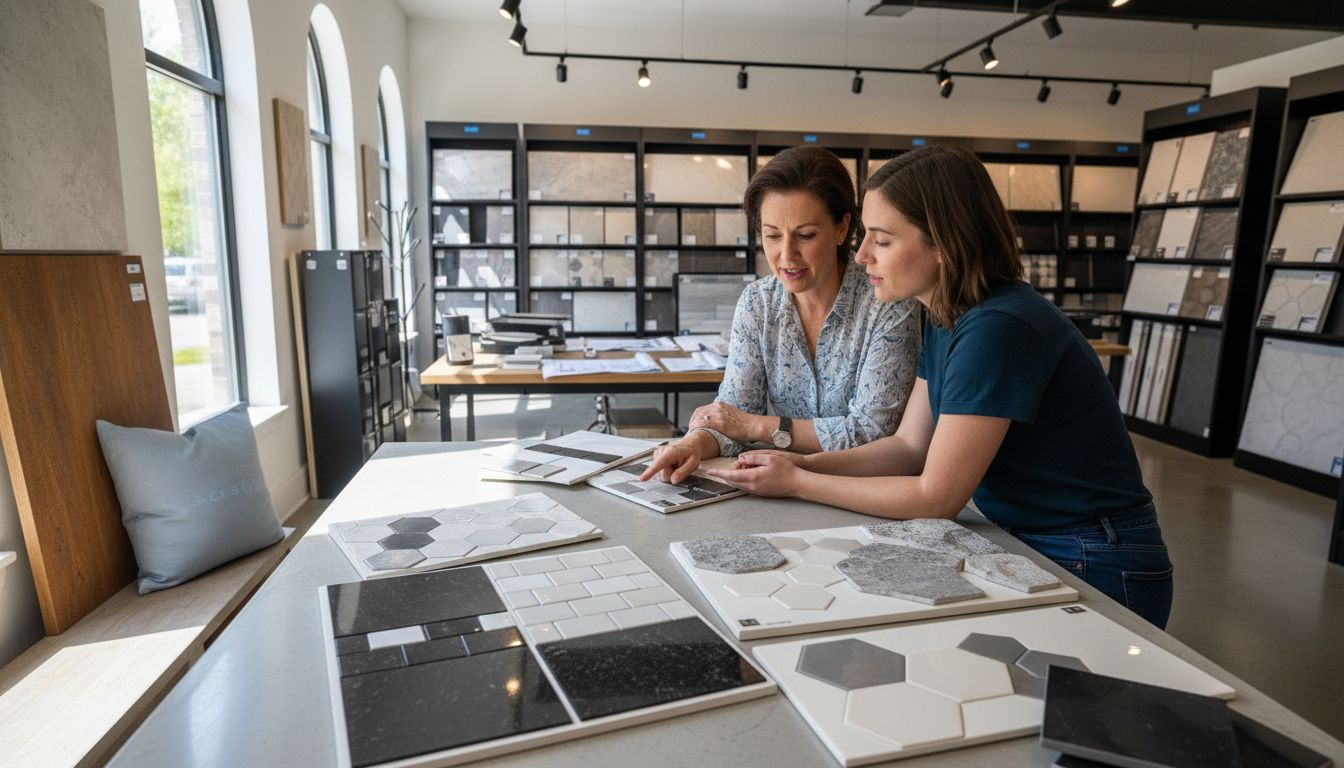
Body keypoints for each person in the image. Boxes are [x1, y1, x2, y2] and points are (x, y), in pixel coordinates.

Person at [706, 144, 1175, 629]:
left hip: (1092, 552)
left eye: (882, 241)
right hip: (1027, 534)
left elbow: (936, 498)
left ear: (944, 244)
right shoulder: (946, 316)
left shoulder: (998, 327)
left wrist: (800, 481)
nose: (862, 254)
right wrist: (799, 463)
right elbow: (908, 448)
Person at [640, 146, 920, 485]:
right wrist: (693, 444)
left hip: (864, 489)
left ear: (843, 228)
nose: (786, 255)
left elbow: (875, 431)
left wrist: (760, 427)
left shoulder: (886, 299)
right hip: (775, 486)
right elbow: (733, 413)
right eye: (772, 235)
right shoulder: (758, 303)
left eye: (805, 235)